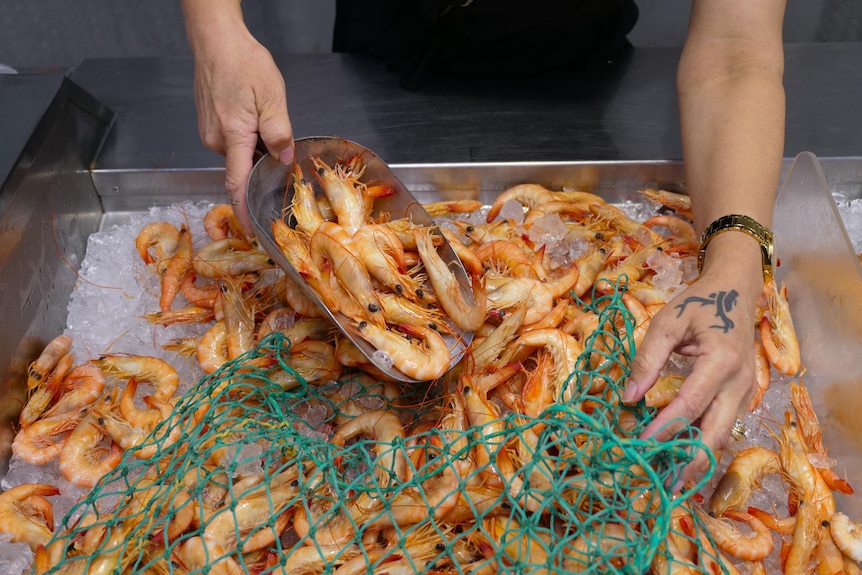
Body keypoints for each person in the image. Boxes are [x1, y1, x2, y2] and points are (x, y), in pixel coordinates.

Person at [180, 0, 787, 489]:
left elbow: (737, 54)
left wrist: (736, 259)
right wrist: (216, 28)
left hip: (577, 79)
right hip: (383, 58)